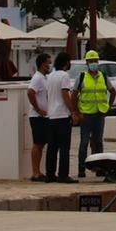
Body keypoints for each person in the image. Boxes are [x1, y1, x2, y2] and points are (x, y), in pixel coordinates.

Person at [71, 48, 113, 179]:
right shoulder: (82, 77)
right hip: (86, 115)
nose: (93, 63)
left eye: (95, 61)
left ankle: (99, 167)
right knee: (84, 142)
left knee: (98, 142)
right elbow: (73, 95)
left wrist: (108, 107)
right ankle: (81, 168)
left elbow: (113, 91)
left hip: (100, 113)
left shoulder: (103, 76)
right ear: (87, 63)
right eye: (91, 61)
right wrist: (77, 113)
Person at [44, 51, 76, 183]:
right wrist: (73, 111)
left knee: (52, 147)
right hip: (62, 115)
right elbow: (65, 94)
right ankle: (63, 174)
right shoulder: (64, 76)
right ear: (66, 62)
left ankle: (50, 174)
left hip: (51, 116)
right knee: (64, 147)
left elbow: (48, 95)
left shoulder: (50, 76)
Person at [25, 54, 51, 182]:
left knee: (41, 144)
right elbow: (30, 92)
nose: (49, 65)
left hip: (44, 116)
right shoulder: (38, 78)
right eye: (48, 63)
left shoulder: (44, 78)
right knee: (37, 143)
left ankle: (38, 171)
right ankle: (35, 172)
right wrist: (38, 109)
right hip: (37, 116)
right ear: (42, 64)